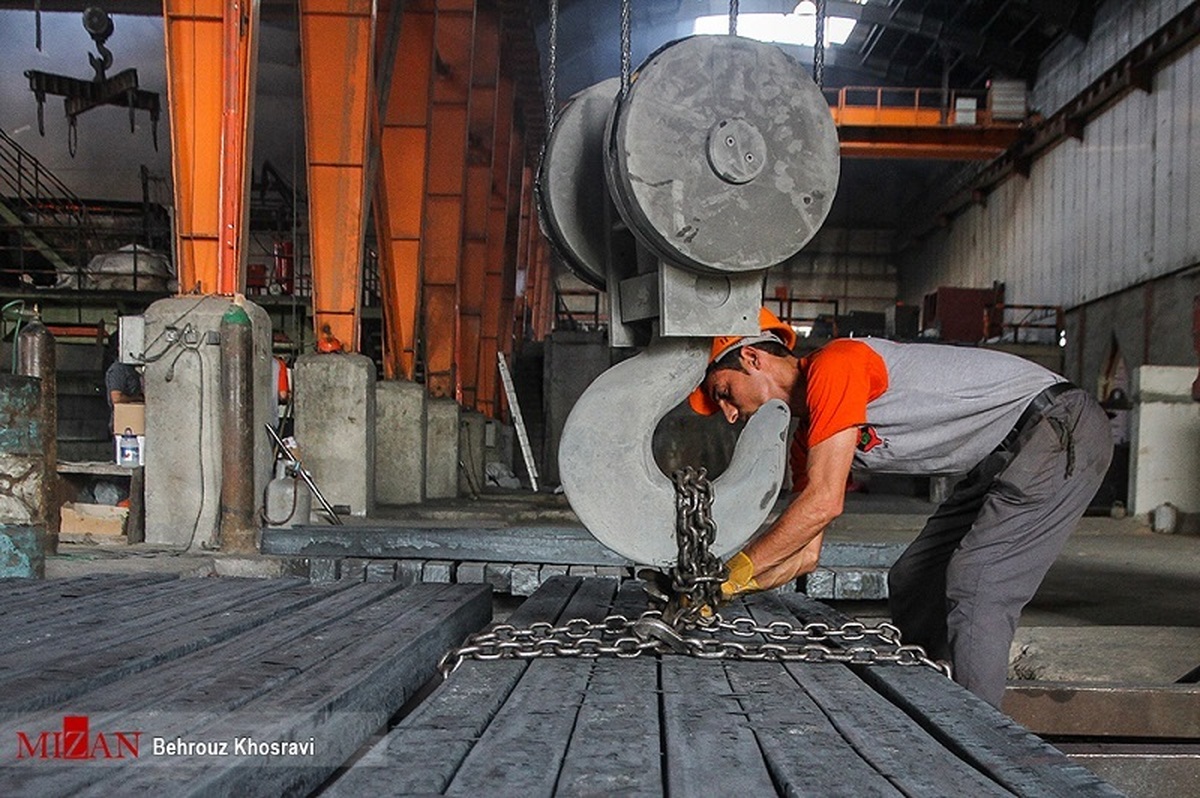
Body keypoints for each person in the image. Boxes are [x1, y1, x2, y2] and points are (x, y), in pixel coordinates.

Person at [689, 307, 1112, 707]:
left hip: (1056, 428)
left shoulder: (837, 364)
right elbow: (805, 554)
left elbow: (823, 503)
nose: (729, 414)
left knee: (978, 582)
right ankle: (940, 694)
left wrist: (728, 576)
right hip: (999, 457)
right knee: (913, 579)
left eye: (724, 393)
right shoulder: (808, 437)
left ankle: (977, 738)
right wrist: (726, 591)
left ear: (752, 357)